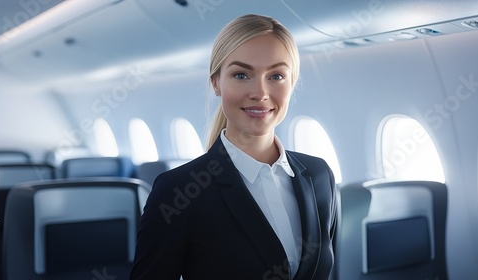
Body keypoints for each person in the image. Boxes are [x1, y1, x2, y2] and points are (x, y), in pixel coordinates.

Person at [130, 14, 337, 280]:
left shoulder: (319, 175)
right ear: (216, 82)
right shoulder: (178, 191)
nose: (260, 93)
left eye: (276, 76)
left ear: (292, 82)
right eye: (241, 75)